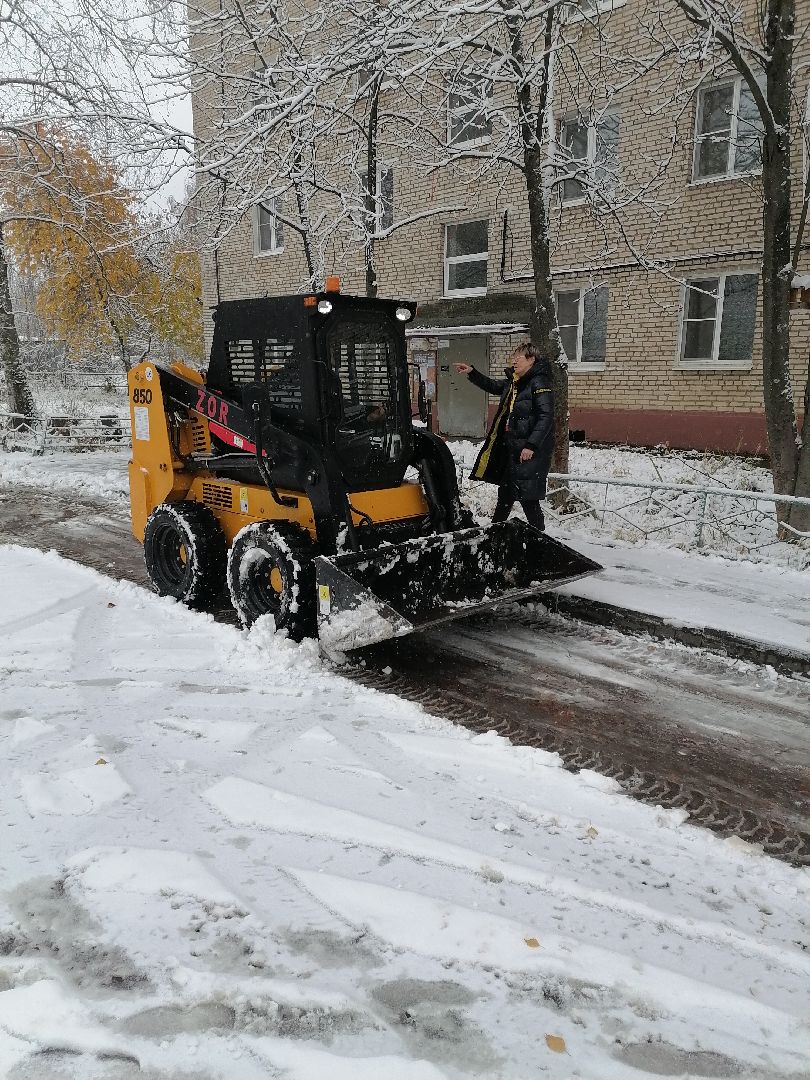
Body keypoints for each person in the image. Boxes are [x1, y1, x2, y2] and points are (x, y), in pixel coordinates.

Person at [455, 342, 553, 532]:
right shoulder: (515, 382)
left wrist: (531, 445)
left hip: (529, 451)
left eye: (519, 357)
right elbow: (493, 386)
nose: (514, 361)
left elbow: (546, 417)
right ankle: (495, 532)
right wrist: (472, 372)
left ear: (531, 360)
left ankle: (540, 539)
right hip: (512, 448)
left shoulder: (539, 382)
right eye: (513, 357)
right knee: (506, 494)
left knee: (528, 498)